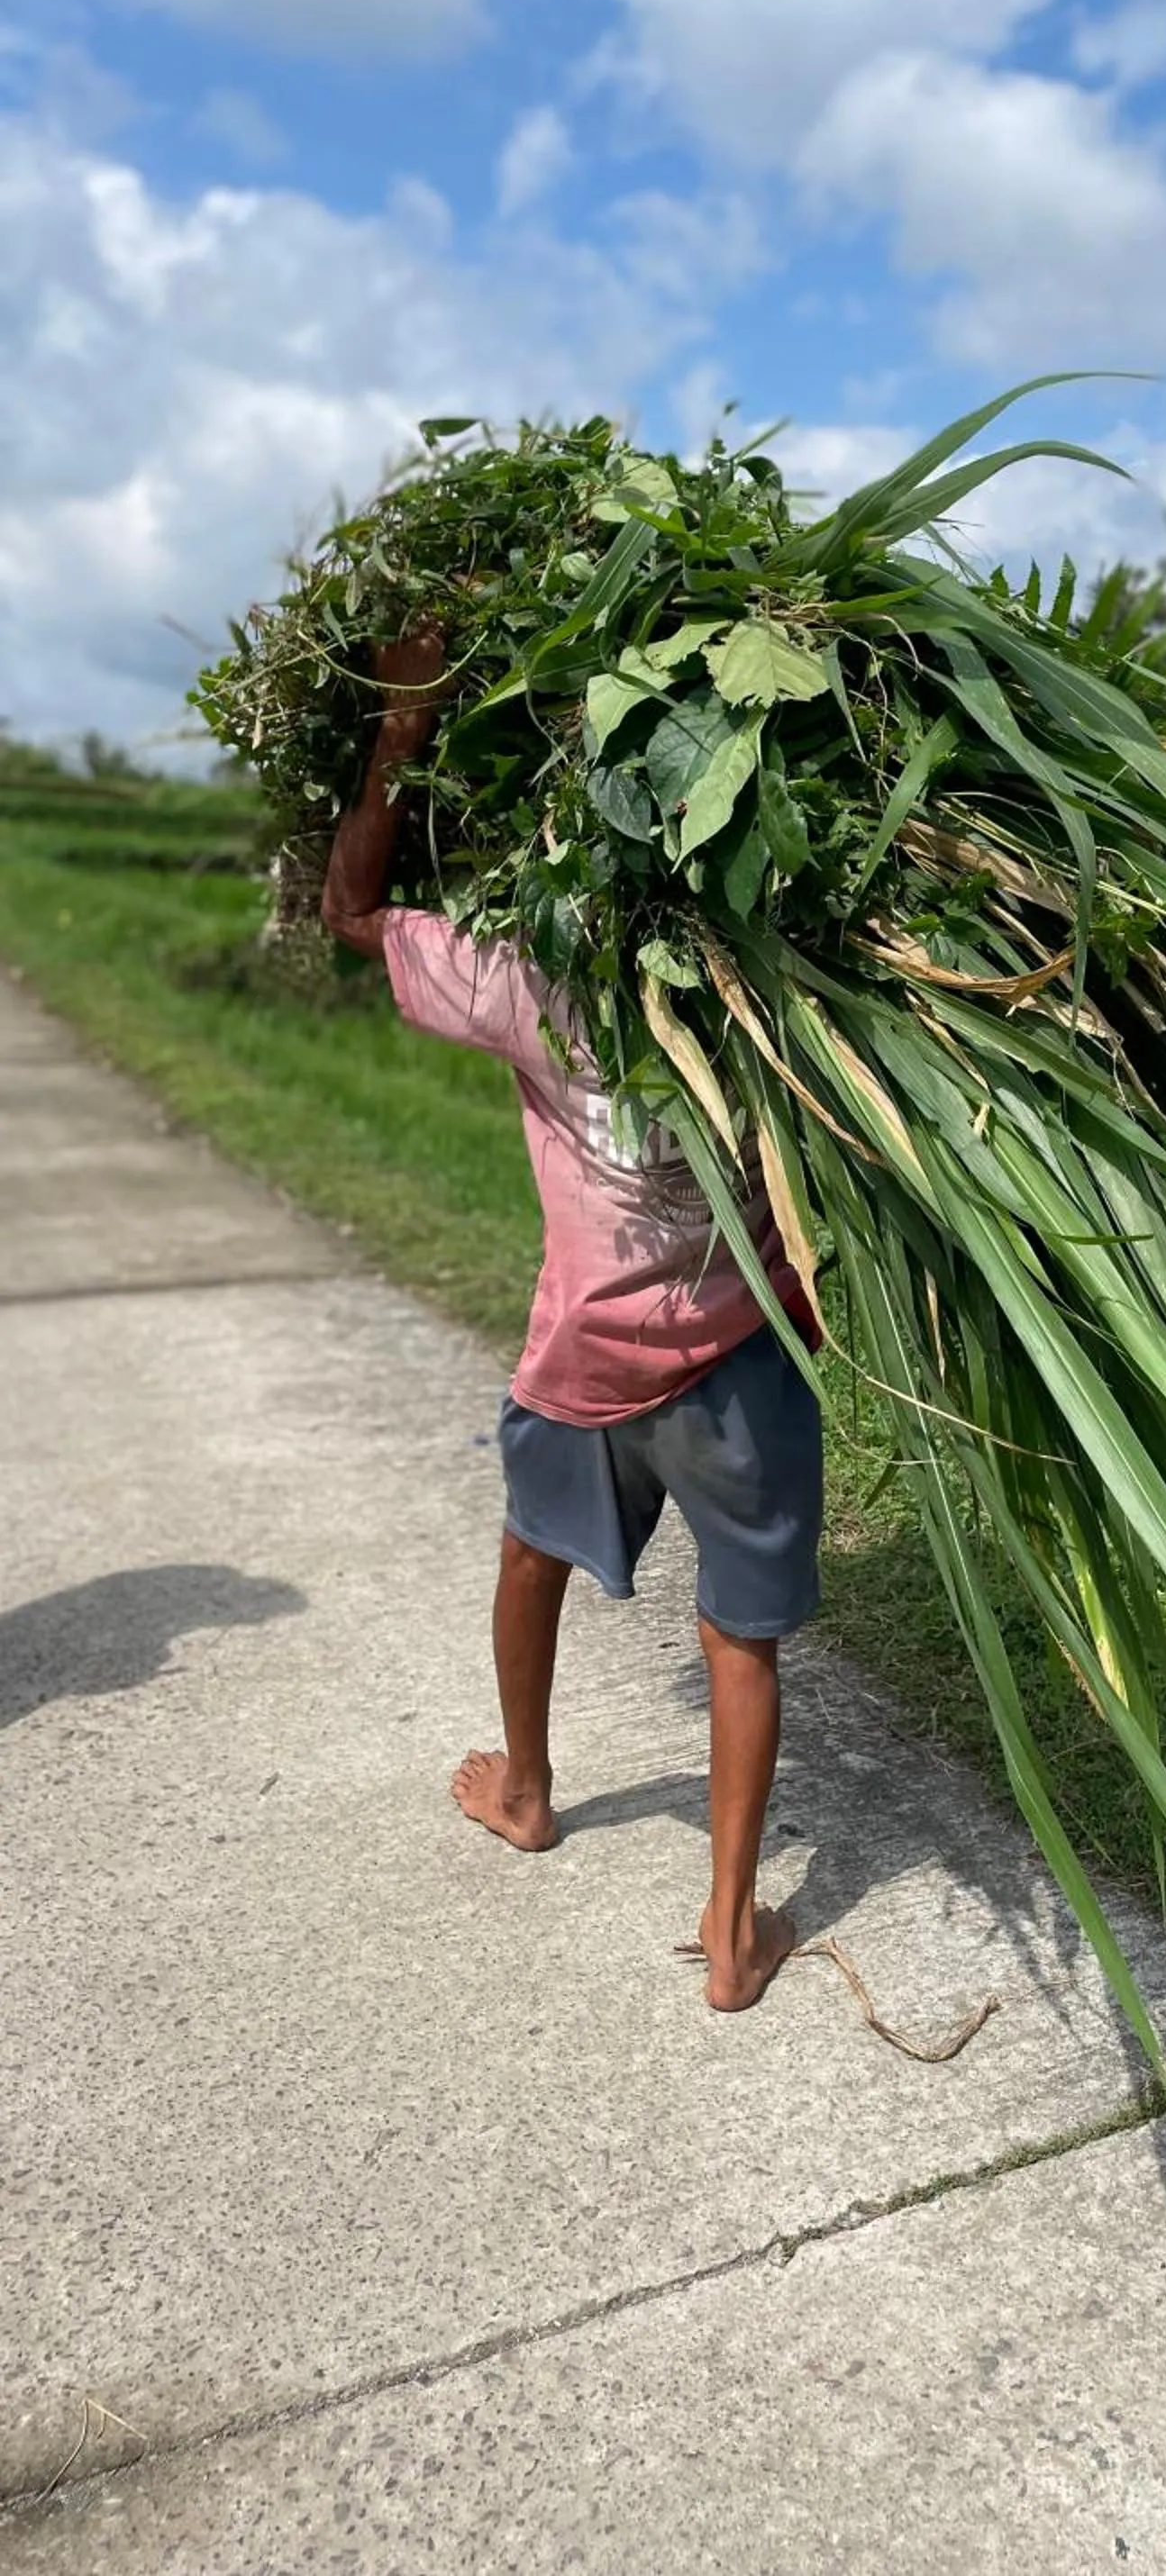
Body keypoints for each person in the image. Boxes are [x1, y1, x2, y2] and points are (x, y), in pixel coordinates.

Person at [321, 626, 820, 2012]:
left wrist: (399, 738)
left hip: (581, 1360)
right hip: (741, 1368)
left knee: (531, 1553)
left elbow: (353, 916)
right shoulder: (783, 988)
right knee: (740, 1643)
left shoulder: (530, 979)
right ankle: (729, 1936)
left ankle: (527, 1790)